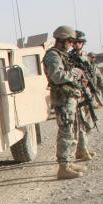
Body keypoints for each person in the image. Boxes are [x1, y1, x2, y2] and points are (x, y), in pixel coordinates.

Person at [43, 25, 88, 179]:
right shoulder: (53, 55)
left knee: (72, 130)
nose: (71, 45)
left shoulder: (62, 55)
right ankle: (63, 168)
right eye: (70, 41)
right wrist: (75, 73)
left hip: (68, 97)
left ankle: (69, 162)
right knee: (66, 132)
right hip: (62, 99)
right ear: (63, 40)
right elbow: (57, 76)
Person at [69, 30, 101, 161]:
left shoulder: (85, 56)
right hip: (78, 93)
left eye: (80, 42)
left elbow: (91, 73)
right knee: (80, 124)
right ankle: (80, 151)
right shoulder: (70, 57)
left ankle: (82, 149)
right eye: (75, 42)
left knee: (87, 122)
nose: (77, 44)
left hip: (86, 92)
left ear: (83, 43)